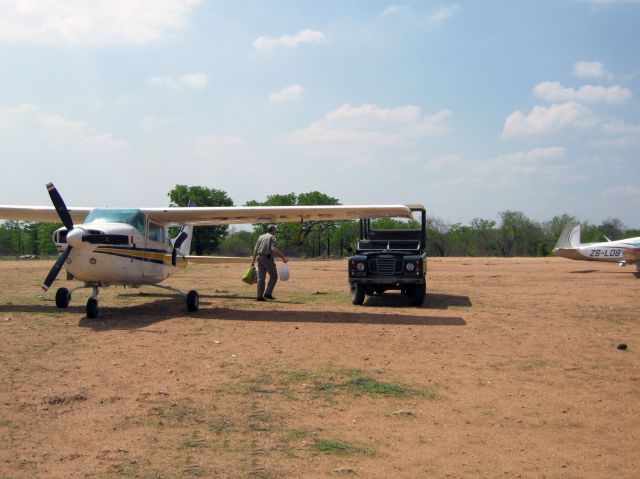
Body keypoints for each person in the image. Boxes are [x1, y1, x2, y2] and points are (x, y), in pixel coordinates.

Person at [251, 224, 287, 301]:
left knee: (261, 278)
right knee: (274, 276)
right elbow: (273, 248)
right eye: (275, 229)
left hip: (259, 258)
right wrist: (283, 257)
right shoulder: (272, 237)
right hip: (267, 258)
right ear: (272, 230)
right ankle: (268, 293)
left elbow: (255, 250)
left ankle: (259, 296)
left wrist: (253, 262)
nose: (276, 231)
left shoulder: (261, 237)